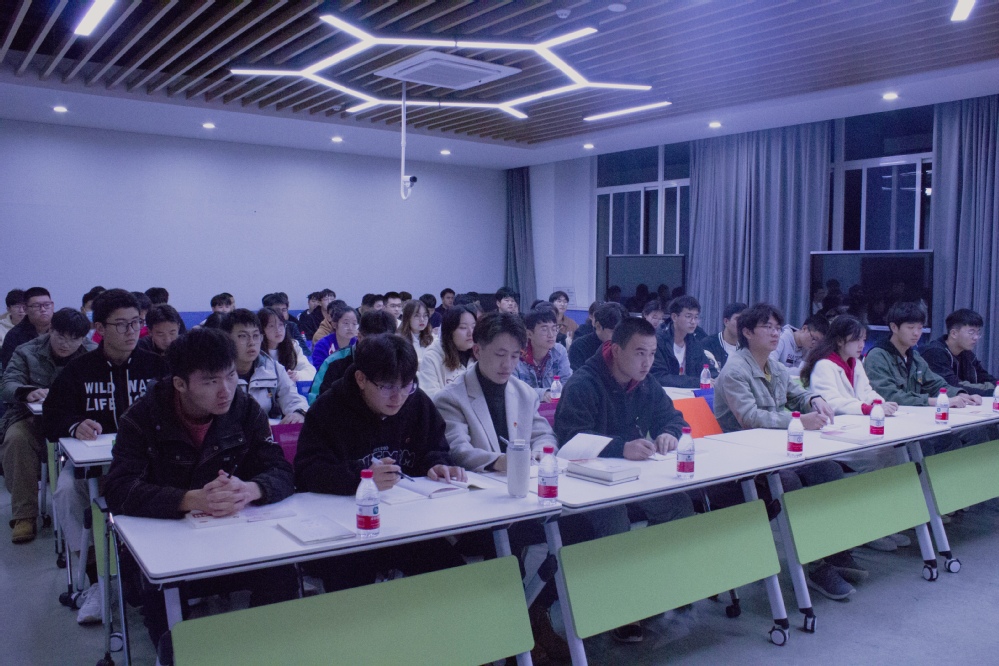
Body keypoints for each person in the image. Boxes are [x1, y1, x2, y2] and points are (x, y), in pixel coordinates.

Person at [104, 328, 297, 665]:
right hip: (167, 544)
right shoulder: (142, 418)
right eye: (210, 382)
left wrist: (250, 489)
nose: (226, 390)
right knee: (166, 610)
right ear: (180, 384)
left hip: (238, 534)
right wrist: (190, 499)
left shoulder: (245, 409)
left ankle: (266, 652)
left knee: (283, 573)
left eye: (231, 376)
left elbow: (280, 468)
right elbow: (119, 489)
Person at [554, 316, 697, 642]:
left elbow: (673, 417)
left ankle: (652, 586)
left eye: (652, 353)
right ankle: (621, 608)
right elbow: (569, 441)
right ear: (616, 350)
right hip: (587, 484)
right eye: (639, 353)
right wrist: (621, 448)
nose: (647, 362)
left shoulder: (645, 383)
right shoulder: (584, 384)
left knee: (678, 506)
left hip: (633, 477)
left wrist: (669, 433)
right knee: (614, 517)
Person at [713, 303, 863, 600]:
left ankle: (834, 552)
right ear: (747, 332)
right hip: (745, 459)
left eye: (777, 328)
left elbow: (798, 394)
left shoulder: (775, 367)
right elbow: (749, 417)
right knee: (788, 483)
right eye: (767, 327)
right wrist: (799, 421)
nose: (775, 333)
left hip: (778, 450)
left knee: (828, 470)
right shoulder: (735, 370)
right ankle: (814, 566)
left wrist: (814, 400)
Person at [295, 334, 466, 591]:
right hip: (348, 533)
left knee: (453, 572)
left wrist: (437, 463)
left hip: (408, 526)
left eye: (406, 385)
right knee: (351, 583)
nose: (398, 397)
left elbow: (435, 446)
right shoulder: (328, 410)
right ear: (361, 379)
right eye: (387, 387)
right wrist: (362, 477)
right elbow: (307, 472)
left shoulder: (417, 402)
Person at [43, 289, 167, 621]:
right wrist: (74, 425)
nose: (131, 331)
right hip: (93, 466)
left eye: (136, 323)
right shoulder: (78, 370)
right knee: (66, 492)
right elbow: (51, 417)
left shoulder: (158, 367)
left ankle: (162, 574)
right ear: (99, 328)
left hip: (150, 462)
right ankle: (98, 580)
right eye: (121, 324)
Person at [800, 315, 910, 552]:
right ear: (840, 340)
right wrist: (868, 409)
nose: (862, 345)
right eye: (856, 340)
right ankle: (868, 528)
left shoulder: (855, 363)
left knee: (893, 455)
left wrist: (880, 403)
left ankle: (885, 523)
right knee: (876, 458)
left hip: (855, 432)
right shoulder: (824, 365)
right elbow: (832, 403)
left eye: (863, 339)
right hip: (832, 437)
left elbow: (867, 391)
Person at [1, 308, 93, 544]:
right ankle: (24, 515)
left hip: (78, 421)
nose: (65, 344)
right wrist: (26, 391)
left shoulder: (93, 353)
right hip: (33, 420)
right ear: (50, 330)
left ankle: (93, 510)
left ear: (83, 338)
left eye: (73, 339)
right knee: (16, 439)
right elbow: (7, 384)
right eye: (60, 336)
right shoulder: (26, 351)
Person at [435, 312, 556, 471]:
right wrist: (499, 461)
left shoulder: (525, 394)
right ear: (477, 351)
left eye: (515, 356)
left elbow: (544, 435)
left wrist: (540, 451)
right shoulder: (451, 398)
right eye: (500, 355)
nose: (507, 365)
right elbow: (458, 450)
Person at [863, 302, 978, 409]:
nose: (916, 333)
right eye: (910, 327)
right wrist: (936, 401)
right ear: (894, 327)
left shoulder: (914, 356)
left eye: (920, 328)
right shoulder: (877, 356)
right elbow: (889, 395)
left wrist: (960, 394)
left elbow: (935, 384)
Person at [220, 309, 307, 424]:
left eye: (256, 335)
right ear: (227, 339)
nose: (251, 342)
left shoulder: (273, 368)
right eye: (243, 336)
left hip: (269, 431)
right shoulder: (217, 374)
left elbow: (292, 398)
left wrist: (299, 412)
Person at [312, 310, 398, 403]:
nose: (380, 349)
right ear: (359, 337)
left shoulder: (400, 360)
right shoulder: (334, 362)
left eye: (387, 343)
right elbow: (315, 400)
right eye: (375, 343)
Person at [921, 308, 997, 397]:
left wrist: (996, 386)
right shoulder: (934, 353)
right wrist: (992, 391)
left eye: (978, 332)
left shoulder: (967, 354)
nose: (976, 337)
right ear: (954, 333)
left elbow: (984, 377)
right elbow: (951, 386)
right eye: (971, 332)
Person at [650, 295, 714, 388]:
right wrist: (697, 382)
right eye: (688, 316)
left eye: (696, 317)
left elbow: (708, 368)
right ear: (674, 317)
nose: (693, 322)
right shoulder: (658, 340)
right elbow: (659, 377)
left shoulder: (694, 341)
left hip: (690, 393)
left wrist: (717, 379)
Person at [417, 305, 476, 399]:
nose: (471, 332)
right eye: (463, 327)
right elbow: (430, 397)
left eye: (474, 326)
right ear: (449, 331)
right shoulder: (432, 357)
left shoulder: (481, 354)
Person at [514, 307, 571, 402]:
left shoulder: (559, 351)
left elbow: (568, 383)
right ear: (529, 334)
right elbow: (513, 390)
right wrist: (543, 394)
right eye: (544, 329)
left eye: (554, 329)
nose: (551, 335)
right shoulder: (515, 354)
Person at [1, 287, 54, 369]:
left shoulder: (63, 326)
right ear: (25, 309)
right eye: (36, 306)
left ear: (52, 305)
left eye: (47, 305)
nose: (43, 309)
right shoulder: (14, 335)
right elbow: (9, 370)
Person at [258, 307, 315, 384]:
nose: (278, 330)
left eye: (281, 324)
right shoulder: (256, 350)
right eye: (271, 326)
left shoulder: (293, 346)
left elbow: (311, 371)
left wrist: (297, 375)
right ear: (262, 329)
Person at [568, 302, 626, 371]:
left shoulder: (625, 346)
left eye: (623, 332)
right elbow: (578, 376)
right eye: (614, 332)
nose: (619, 337)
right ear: (598, 326)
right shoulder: (579, 347)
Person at [311, 303, 358, 369]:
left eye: (354, 323)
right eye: (346, 323)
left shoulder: (359, 344)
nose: (350, 328)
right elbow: (319, 371)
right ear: (334, 325)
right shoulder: (322, 345)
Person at [703, 302, 747, 371]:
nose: (742, 323)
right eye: (738, 319)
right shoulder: (708, 344)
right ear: (726, 321)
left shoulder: (748, 346)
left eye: (744, 320)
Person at [399, 299, 435, 363]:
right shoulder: (399, 340)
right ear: (408, 318)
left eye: (425, 315)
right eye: (417, 316)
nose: (422, 319)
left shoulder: (433, 338)